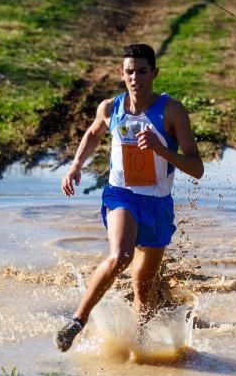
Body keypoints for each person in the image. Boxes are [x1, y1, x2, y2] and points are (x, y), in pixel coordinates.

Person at [55, 43, 204, 352]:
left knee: (143, 287)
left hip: (158, 203)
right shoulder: (111, 108)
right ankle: (76, 322)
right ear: (121, 75)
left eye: (142, 72)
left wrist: (161, 149)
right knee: (120, 256)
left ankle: (137, 345)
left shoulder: (172, 111)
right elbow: (94, 133)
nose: (136, 78)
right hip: (121, 194)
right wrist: (75, 166)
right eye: (130, 72)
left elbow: (197, 168)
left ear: (154, 73)